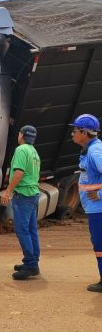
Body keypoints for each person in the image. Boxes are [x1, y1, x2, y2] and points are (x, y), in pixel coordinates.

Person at [1, 125, 41, 280]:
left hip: (23, 195)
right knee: (31, 230)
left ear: (21, 135)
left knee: (22, 230)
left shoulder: (21, 150)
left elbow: (19, 172)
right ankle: (32, 261)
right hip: (33, 194)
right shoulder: (33, 151)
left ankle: (31, 265)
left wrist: (8, 190)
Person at [70, 114, 102, 293]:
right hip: (95, 209)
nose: (72, 133)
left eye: (75, 130)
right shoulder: (91, 149)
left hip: (99, 209)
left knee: (100, 245)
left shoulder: (95, 151)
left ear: (84, 132)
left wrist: (99, 193)